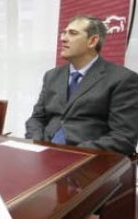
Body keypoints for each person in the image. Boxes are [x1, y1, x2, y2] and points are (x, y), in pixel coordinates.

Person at [25, 15, 138, 156]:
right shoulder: (52, 76)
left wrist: (74, 152)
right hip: (45, 153)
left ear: (92, 41)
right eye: (64, 33)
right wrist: (37, 144)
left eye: (72, 33)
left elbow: (124, 136)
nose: (63, 38)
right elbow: (36, 118)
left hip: (87, 159)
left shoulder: (123, 79)